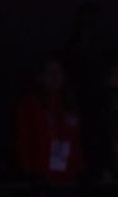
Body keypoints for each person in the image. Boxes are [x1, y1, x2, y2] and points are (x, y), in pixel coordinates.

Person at [15, 57, 85, 186]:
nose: (55, 76)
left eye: (58, 72)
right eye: (49, 72)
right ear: (41, 76)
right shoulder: (31, 104)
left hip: (69, 176)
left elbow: (76, 139)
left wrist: (79, 168)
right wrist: (30, 172)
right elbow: (23, 139)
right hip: (43, 176)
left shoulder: (68, 104)